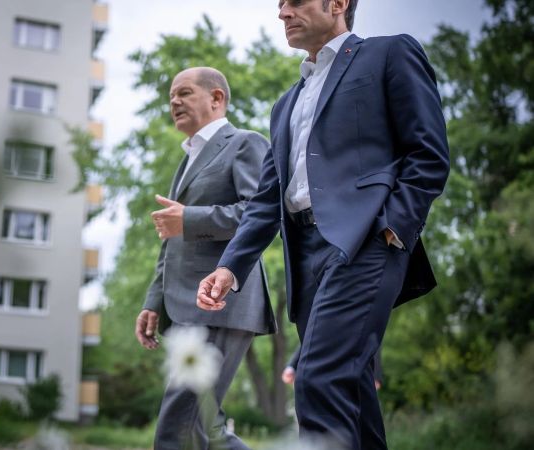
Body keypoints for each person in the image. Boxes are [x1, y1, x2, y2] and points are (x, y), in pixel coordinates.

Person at [196, 1, 450, 448]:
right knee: (350, 394)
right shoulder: (285, 104)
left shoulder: (389, 54)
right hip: (306, 257)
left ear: (337, 3)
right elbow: (265, 200)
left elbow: (428, 154)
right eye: (279, 5)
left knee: (316, 380)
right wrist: (229, 266)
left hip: (365, 242)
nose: (282, 13)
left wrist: (393, 230)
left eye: (295, 2)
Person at [135, 67, 276, 450]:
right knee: (206, 432)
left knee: (177, 430)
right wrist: (154, 301)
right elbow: (172, 238)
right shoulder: (187, 161)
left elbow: (258, 214)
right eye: (170, 98)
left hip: (221, 303)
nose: (174, 102)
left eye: (184, 93)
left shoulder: (246, 144)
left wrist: (190, 219)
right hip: (184, 306)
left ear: (217, 98)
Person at [283, 345, 382, 391]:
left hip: (354, 372)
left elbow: (373, 337)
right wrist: (292, 365)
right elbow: (309, 335)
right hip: (321, 375)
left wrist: (375, 375)